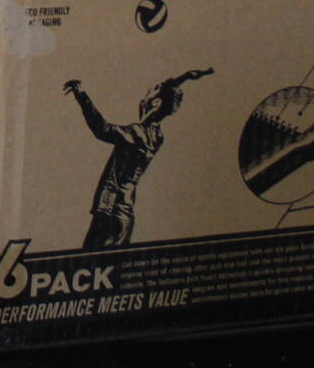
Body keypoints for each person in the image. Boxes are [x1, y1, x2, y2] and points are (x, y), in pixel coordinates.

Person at [62, 69, 213, 248]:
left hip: (109, 211)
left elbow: (102, 129)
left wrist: (81, 95)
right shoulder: (157, 136)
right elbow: (165, 95)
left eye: (150, 92)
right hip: (125, 215)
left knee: (89, 266)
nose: (145, 95)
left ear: (156, 102)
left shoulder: (136, 133)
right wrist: (184, 78)